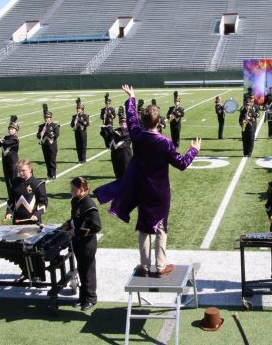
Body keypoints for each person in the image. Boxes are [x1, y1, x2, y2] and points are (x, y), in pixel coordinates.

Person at [94, 85, 201, 278]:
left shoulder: (137, 136)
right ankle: (160, 267)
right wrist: (194, 150)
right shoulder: (165, 142)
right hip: (160, 191)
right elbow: (182, 164)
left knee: (144, 226)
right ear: (159, 122)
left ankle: (144, 266)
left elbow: (131, 118)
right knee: (160, 227)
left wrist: (132, 97)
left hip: (142, 188)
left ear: (144, 122)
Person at [61, 177, 101, 311]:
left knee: (88, 270)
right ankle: (83, 297)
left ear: (82, 189)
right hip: (78, 242)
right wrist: (68, 224)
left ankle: (91, 298)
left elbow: (96, 226)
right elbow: (76, 219)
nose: (71, 191)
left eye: (73, 189)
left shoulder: (89, 205)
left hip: (87, 243)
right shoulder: (75, 201)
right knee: (81, 269)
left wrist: (76, 232)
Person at [5, 159, 47, 225]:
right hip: (17, 221)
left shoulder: (37, 184)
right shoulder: (14, 183)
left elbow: (43, 202)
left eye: (23, 170)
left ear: (30, 169)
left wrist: (37, 214)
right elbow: (11, 200)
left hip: (33, 221)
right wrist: (9, 212)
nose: (21, 173)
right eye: (19, 171)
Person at [0, 115, 20, 197]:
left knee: (13, 180)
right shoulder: (6, 137)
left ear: (16, 131)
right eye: (10, 129)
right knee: (7, 180)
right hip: (5, 162)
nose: (11, 130)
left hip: (13, 163)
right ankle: (10, 196)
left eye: (13, 129)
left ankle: (16, 196)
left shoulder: (15, 139)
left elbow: (5, 142)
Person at [36, 104, 60, 180]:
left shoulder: (55, 125)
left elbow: (56, 134)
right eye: (45, 117)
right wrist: (40, 134)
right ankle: (49, 174)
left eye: (48, 118)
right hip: (44, 145)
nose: (47, 119)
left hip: (52, 145)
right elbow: (38, 136)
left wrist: (48, 133)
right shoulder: (41, 126)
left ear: (51, 118)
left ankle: (53, 174)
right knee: (47, 160)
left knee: (52, 160)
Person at [109, 106, 133, 178]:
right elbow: (109, 137)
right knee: (117, 172)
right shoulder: (116, 130)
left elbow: (124, 136)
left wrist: (115, 133)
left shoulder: (129, 131)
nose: (123, 124)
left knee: (126, 172)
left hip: (125, 153)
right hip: (115, 153)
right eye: (121, 123)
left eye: (124, 123)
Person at [70, 98, 90, 164]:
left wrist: (79, 119)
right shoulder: (74, 116)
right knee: (78, 146)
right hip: (76, 132)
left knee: (83, 146)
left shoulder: (85, 116)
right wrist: (74, 121)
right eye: (77, 108)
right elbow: (71, 125)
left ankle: (83, 159)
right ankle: (79, 159)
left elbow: (87, 124)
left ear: (82, 110)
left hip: (83, 132)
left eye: (79, 108)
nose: (78, 109)